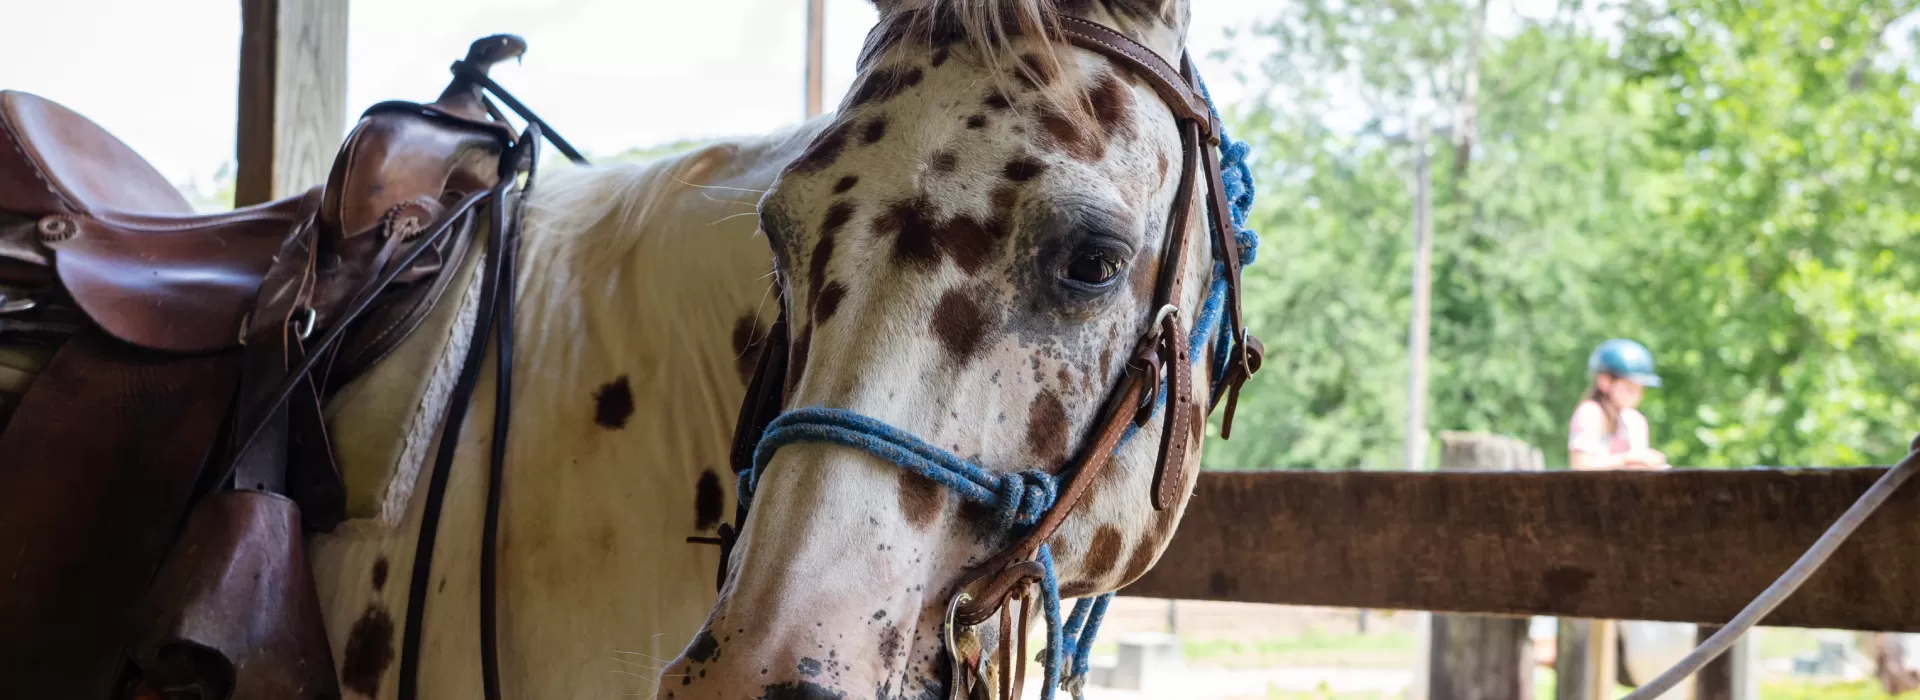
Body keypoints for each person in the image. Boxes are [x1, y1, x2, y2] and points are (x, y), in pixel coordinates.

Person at [1568, 338, 1668, 471]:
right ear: (1605, 381)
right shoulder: (1590, 413)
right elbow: (1580, 465)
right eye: (1630, 387)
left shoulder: (1635, 420)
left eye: (1640, 388)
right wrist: (1628, 459)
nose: (1637, 395)